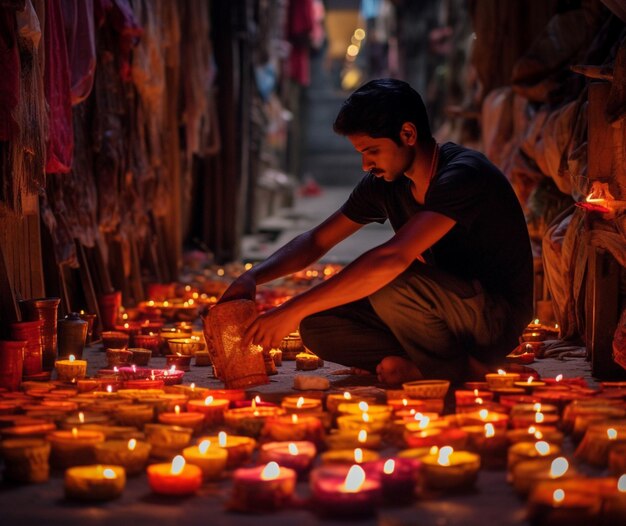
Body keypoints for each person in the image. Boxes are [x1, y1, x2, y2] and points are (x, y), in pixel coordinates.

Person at [219, 78, 533, 386]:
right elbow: (316, 240)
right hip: (439, 313)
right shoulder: (386, 183)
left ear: (407, 133)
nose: (365, 164)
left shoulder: (464, 174)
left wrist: (291, 308)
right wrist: (253, 276)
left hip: (493, 319)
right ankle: (434, 365)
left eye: (372, 151)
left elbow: (393, 258)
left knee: (389, 277)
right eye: (361, 153)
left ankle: (460, 370)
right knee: (318, 324)